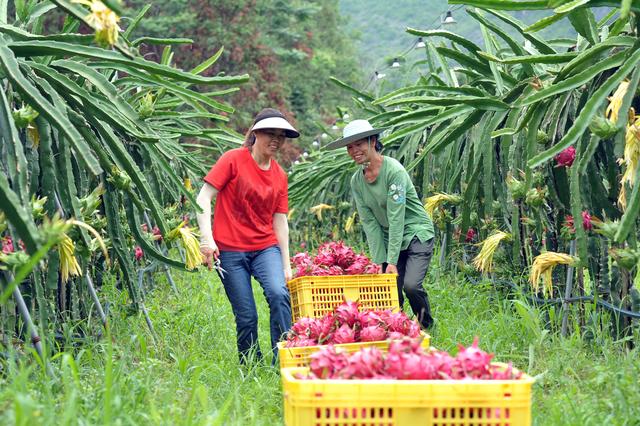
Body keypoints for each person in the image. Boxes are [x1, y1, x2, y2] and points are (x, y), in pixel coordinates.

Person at [195, 108, 298, 363]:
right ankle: (250, 364)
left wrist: (286, 264)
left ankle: (283, 359)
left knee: (278, 294)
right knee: (247, 315)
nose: (275, 139)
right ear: (255, 133)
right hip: (230, 251)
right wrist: (207, 240)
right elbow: (203, 197)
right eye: (269, 133)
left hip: (265, 247)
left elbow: (280, 221)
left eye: (281, 135)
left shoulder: (280, 176)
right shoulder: (233, 159)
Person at [326, 119, 436, 329]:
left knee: (411, 285)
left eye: (359, 144)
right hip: (390, 236)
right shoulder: (357, 181)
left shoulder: (393, 171)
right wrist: (380, 262)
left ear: (373, 141)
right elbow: (370, 223)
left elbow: (397, 217)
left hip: (415, 233)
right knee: (389, 286)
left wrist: (392, 261)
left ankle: (426, 324)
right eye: (350, 146)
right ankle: (399, 329)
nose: (354, 150)